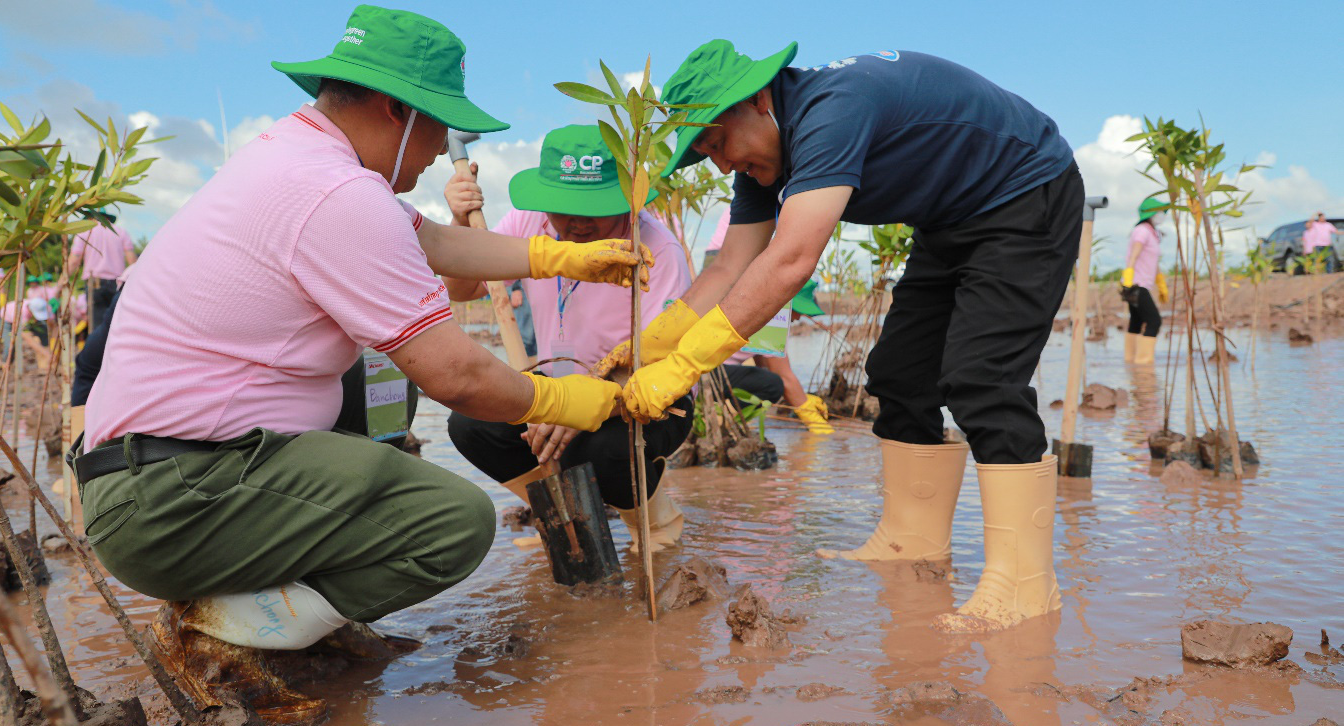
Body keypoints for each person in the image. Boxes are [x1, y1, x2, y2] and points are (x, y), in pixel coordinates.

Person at [75, 7, 643, 723]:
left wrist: (562, 259)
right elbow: (457, 377)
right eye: (438, 124)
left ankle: (288, 615)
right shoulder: (337, 193)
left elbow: (433, 243)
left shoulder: (297, 159)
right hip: (171, 498)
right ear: (395, 109)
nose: (441, 148)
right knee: (452, 522)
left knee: (360, 403)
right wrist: (565, 401)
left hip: (152, 479)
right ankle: (225, 635)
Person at [605, 41, 1083, 632]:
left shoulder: (832, 110)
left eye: (718, 143)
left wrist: (685, 369)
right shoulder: (765, 163)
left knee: (982, 378)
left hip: (1025, 192)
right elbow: (728, 268)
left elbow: (790, 261)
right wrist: (654, 344)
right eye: (705, 155)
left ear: (759, 98)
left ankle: (1027, 586)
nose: (722, 165)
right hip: (951, 221)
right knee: (901, 374)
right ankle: (913, 541)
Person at [442, 124, 694, 553]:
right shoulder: (528, 222)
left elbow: (664, 369)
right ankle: (568, 516)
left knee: (610, 451)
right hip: (552, 384)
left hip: (639, 394)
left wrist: (580, 407)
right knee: (473, 424)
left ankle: (656, 527)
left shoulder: (658, 248)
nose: (576, 222)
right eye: (564, 207)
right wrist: (458, 223)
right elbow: (462, 289)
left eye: (592, 208)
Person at [718, 280, 833, 434]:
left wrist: (801, 396)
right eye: (799, 310)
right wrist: (813, 420)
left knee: (765, 379)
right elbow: (784, 377)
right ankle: (725, 420)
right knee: (773, 385)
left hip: (711, 370)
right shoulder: (775, 318)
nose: (799, 318)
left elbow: (762, 362)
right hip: (712, 374)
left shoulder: (758, 304)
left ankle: (726, 417)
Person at [69, 212, 137, 334]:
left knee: (97, 325)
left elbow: (74, 260)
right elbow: (132, 260)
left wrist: (62, 282)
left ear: (91, 218)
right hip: (117, 283)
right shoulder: (121, 232)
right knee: (116, 323)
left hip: (95, 282)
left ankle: (99, 352)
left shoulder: (84, 232)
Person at [1120, 198, 1169, 364]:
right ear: (1151, 213)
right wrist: (1128, 280)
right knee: (1154, 321)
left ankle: (1130, 362)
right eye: (1159, 211)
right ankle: (1143, 365)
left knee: (1137, 321)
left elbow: (1154, 263)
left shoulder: (1152, 233)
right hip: (1135, 284)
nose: (1162, 215)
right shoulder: (1142, 231)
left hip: (1141, 283)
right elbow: (1133, 256)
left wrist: (1161, 285)